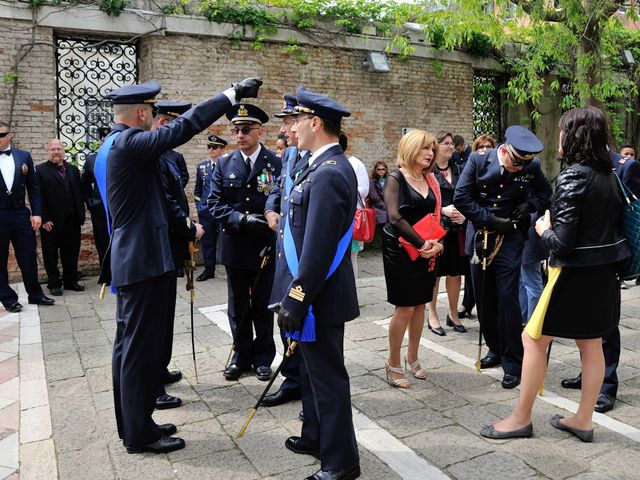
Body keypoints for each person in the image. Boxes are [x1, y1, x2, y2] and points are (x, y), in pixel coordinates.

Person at [98, 77, 261, 454]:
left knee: (129, 348)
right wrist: (230, 95)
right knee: (137, 350)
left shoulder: (116, 143)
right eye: (153, 112)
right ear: (142, 113)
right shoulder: (129, 142)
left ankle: (137, 424)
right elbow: (186, 126)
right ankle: (137, 433)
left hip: (138, 259)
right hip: (141, 261)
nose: (158, 118)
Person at [481, 106, 631, 442]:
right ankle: (583, 419)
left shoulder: (574, 175)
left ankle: (520, 418)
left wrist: (544, 228)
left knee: (532, 340)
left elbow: (562, 244)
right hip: (604, 273)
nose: (557, 137)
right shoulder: (610, 174)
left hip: (572, 275)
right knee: (592, 345)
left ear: (573, 136)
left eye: (562, 130)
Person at [275, 86, 360, 480]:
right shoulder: (318, 165)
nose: (291, 127)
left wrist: (296, 299)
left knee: (327, 380)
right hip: (314, 292)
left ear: (315, 122)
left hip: (318, 296)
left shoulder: (328, 173)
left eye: (296, 120)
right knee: (310, 373)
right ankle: (315, 436)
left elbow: (319, 247)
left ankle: (341, 463)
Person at [454, 125, 552, 389]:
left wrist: (528, 206)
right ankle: (494, 349)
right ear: (505, 150)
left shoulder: (530, 167)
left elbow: (545, 194)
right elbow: (462, 198)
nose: (519, 169)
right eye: (515, 162)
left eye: (523, 165)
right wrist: (491, 220)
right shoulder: (477, 160)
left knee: (508, 297)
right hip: (482, 236)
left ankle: (513, 361)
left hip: (510, 239)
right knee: (484, 297)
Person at [560, 146, 640, 412]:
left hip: (606, 259)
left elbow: (623, 213)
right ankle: (588, 375)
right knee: (585, 325)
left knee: (606, 327)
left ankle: (607, 386)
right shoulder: (581, 166)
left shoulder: (624, 167)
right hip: (583, 258)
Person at [208, 103, 280, 382]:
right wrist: (241, 219)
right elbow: (214, 203)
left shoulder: (275, 163)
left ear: (260, 131)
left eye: (246, 130)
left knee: (263, 304)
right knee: (237, 305)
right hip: (236, 245)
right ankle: (241, 355)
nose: (240, 135)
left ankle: (263, 357)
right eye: (236, 130)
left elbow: (278, 196)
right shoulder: (224, 163)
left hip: (264, 246)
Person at [383, 129, 444, 389]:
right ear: (410, 149)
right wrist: (421, 244)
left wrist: (435, 244)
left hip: (426, 248)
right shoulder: (396, 177)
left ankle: (413, 356)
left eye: (432, 149)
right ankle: (393, 362)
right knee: (404, 307)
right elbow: (395, 217)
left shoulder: (431, 179)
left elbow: (436, 215)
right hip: (400, 248)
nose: (430, 154)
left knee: (421, 304)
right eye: (424, 149)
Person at [153, 100, 203, 410]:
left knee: (165, 313)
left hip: (170, 246)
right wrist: (190, 229)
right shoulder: (155, 157)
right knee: (155, 319)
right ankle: (153, 385)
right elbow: (169, 203)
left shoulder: (168, 156)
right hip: (161, 247)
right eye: (175, 126)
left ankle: (160, 368)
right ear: (161, 125)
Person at [261, 93, 305, 408]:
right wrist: (270, 210)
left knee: (303, 319)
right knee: (283, 316)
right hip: (283, 251)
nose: (286, 130)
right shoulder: (288, 156)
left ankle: (306, 379)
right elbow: (277, 187)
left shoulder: (319, 159)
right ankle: (291, 378)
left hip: (303, 253)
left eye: (290, 122)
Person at [0, 122, 55, 312]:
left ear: (9, 135)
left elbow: (34, 187)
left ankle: (36, 294)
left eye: (1, 135)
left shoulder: (23, 156)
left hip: (20, 213)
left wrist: (37, 212)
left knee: (28, 255)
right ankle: (8, 299)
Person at [427, 132, 467, 335]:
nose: (451, 147)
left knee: (455, 272)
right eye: (446, 143)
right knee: (435, 274)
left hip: (457, 229)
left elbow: (467, 195)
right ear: (437, 146)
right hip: (436, 229)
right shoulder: (429, 171)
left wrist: (464, 214)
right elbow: (423, 200)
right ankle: (432, 315)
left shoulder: (459, 169)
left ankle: (453, 314)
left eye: (452, 144)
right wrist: (442, 210)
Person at [36, 139, 86, 296]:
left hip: (72, 219)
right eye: (53, 149)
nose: (56, 152)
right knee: (50, 254)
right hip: (51, 221)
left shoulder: (72, 170)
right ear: (48, 151)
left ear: (63, 151)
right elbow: (38, 197)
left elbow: (78, 193)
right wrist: (44, 218)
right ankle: (54, 283)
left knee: (71, 252)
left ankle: (70, 281)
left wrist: (80, 214)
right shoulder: (40, 170)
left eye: (58, 149)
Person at [458, 134, 497, 320]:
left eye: (489, 146)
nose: (485, 149)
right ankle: (468, 303)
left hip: (494, 231)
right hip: (476, 225)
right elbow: (464, 197)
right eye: (481, 146)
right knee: (472, 270)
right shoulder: (471, 168)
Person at [194, 134, 227, 281]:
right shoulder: (202, 166)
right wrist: (200, 206)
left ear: (222, 149)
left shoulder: (228, 165)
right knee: (207, 242)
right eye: (209, 147)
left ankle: (229, 269)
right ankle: (209, 270)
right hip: (206, 211)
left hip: (223, 210)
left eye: (214, 147)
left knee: (227, 240)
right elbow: (198, 190)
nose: (211, 149)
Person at [340, 132, 369, 281]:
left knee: (351, 258)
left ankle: (352, 293)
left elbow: (364, 189)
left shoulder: (355, 163)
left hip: (352, 218)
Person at [82, 126, 110, 269]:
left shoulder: (119, 158)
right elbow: (85, 185)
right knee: (102, 241)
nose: (104, 142)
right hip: (99, 208)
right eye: (103, 140)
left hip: (118, 207)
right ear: (99, 142)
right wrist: (91, 203)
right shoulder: (92, 160)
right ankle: (106, 273)